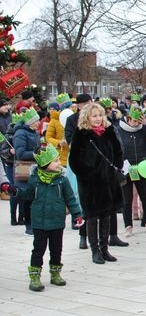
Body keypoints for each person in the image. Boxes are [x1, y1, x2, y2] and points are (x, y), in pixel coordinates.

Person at [2, 144, 83, 291]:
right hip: (39, 221)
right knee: (38, 249)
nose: (59, 163)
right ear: (45, 163)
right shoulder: (34, 179)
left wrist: (77, 214)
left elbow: (70, 198)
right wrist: (14, 191)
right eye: (56, 160)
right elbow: (27, 194)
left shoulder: (62, 180)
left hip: (57, 220)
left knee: (56, 249)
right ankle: (35, 276)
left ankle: (55, 274)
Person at [68, 102, 125, 265]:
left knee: (107, 215)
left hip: (108, 181)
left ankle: (105, 249)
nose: (98, 119)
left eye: (100, 115)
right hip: (90, 183)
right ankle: (95, 251)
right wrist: (89, 174)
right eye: (94, 116)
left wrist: (116, 168)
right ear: (87, 117)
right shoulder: (81, 133)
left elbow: (118, 151)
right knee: (92, 217)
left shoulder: (109, 131)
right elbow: (74, 160)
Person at [116, 107, 146, 235]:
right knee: (126, 199)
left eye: (139, 121)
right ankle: (128, 225)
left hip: (142, 166)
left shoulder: (143, 129)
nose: (136, 123)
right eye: (134, 120)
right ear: (128, 119)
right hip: (126, 168)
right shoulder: (119, 130)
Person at [13, 107, 42, 235]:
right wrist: (35, 154)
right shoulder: (20, 133)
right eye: (36, 121)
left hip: (35, 169)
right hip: (25, 170)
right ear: (30, 122)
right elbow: (20, 153)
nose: (39, 123)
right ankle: (28, 224)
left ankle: (34, 223)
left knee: (35, 198)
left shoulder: (35, 132)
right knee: (27, 198)